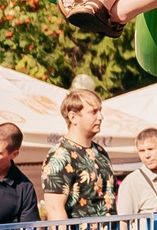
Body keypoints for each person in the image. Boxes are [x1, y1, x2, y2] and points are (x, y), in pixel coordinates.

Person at [42, 89, 117, 221]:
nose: (100, 117)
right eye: (93, 112)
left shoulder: (101, 152)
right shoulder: (60, 154)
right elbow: (54, 209)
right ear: (73, 117)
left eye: (100, 111)